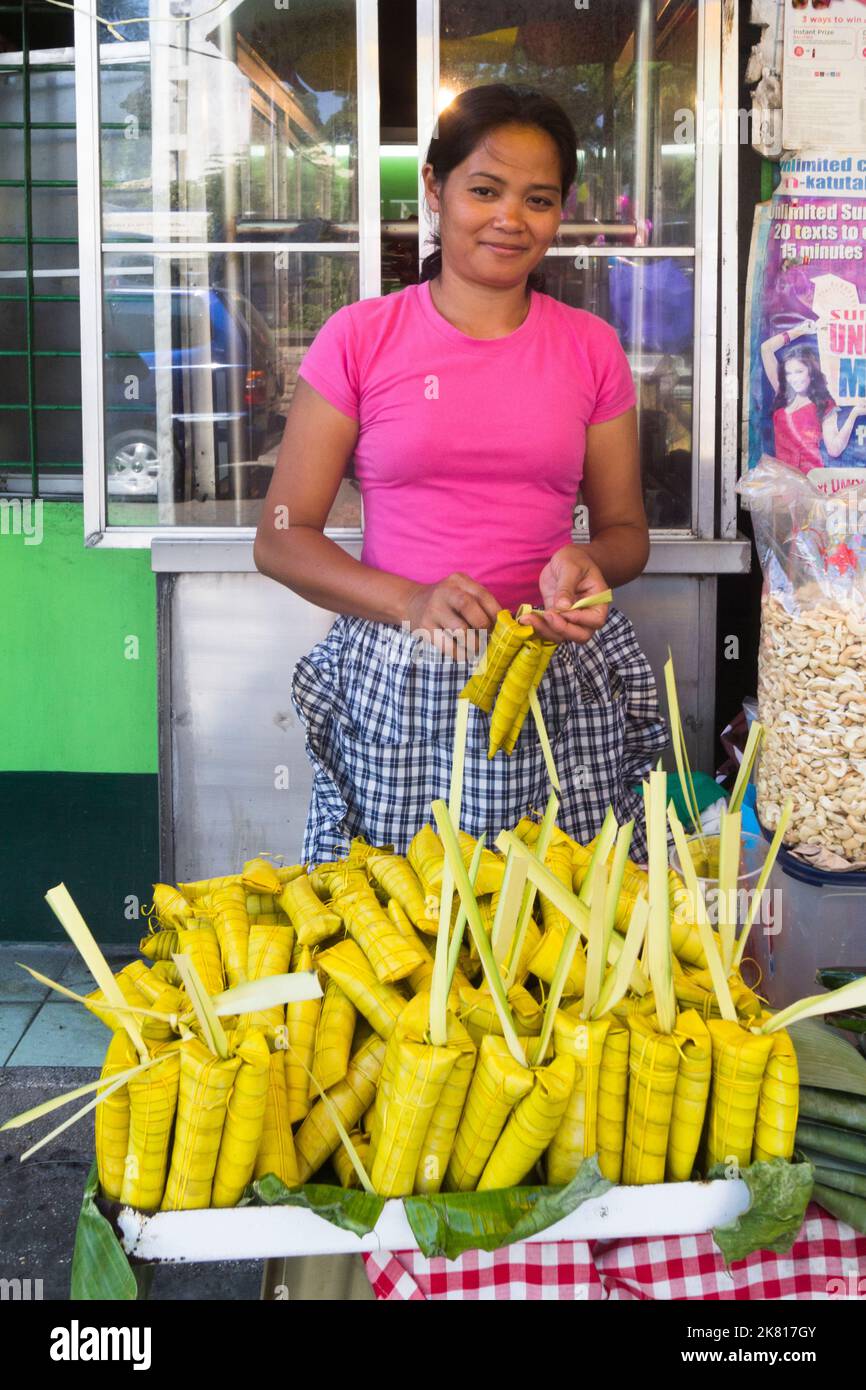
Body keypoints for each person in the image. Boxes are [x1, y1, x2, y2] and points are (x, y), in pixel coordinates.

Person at [254, 84, 668, 866]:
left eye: (538, 199)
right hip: (402, 675)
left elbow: (624, 535)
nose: (511, 219)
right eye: (485, 190)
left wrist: (591, 565)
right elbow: (282, 539)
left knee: (556, 926)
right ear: (435, 189)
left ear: (561, 211)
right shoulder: (360, 339)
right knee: (407, 925)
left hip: (555, 678)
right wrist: (412, 601)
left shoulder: (590, 349)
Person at [761, 321, 866, 474]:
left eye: (799, 372)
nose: (793, 378)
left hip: (810, 479)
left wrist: (854, 415)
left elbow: (834, 449)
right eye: (789, 373)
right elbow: (766, 349)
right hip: (783, 479)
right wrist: (799, 330)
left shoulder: (823, 404)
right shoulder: (782, 392)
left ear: (810, 373)